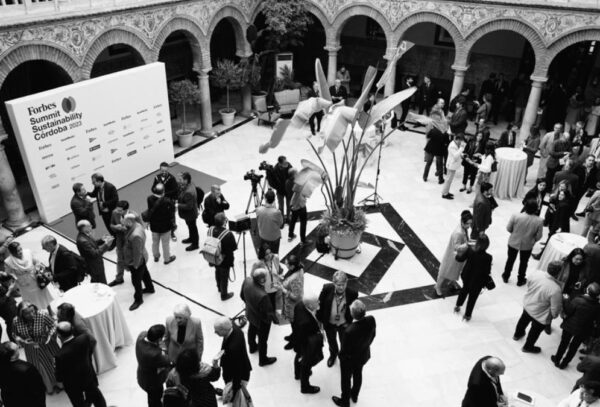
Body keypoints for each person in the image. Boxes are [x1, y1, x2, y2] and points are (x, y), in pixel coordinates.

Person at [332, 300, 376, 407]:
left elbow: (344, 350)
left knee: (346, 380)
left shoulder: (349, 331)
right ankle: (354, 395)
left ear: (352, 314)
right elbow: (373, 335)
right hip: (363, 355)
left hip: (349, 360)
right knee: (358, 374)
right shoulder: (371, 319)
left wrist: (341, 358)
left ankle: (345, 402)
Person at [513, 260, 563, 353]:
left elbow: (529, 284)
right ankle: (527, 347)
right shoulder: (556, 289)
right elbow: (555, 308)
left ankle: (517, 335)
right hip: (541, 314)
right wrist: (554, 315)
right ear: (559, 272)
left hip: (528, 305)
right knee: (535, 331)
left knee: (523, 321)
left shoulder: (536, 273)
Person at [12, 302, 60, 394]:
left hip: (46, 344)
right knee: (39, 367)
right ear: (21, 314)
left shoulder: (42, 315)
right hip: (30, 347)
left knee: (52, 364)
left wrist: (50, 335)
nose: (31, 314)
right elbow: (14, 334)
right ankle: (49, 387)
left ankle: (59, 384)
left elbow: (53, 325)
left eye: (33, 311)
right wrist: (22, 340)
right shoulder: (16, 321)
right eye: (27, 313)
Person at [55, 321, 106, 407]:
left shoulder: (59, 355)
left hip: (73, 385)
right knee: (97, 397)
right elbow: (90, 350)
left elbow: (59, 377)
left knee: (79, 404)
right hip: (88, 376)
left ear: (59, 336)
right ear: (72, 330)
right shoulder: (84, 338)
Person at [552, 283, 600, 369]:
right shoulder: (598, 306)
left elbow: (568, 311)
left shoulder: (578, 300)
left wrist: (566, 300)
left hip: (570, 326)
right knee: (574, 347)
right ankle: (564, 363)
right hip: (584, 329)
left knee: (564, 343)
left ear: (587, 290)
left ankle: (557, 359)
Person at [317, 270, 358, 368]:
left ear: (346, 283)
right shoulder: (326, 289)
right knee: (332, 342)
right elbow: (319, 306)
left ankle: (343, 357)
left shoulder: (352, 293)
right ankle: (333, 355)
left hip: (343, 325)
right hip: (329, 324)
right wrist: (320, 322)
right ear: (334, 283)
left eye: (343, 284)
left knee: (344, 343)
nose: (341, 287)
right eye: (339, 285)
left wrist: (349, 323)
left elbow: (354, 310)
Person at [240, 268, 278, 366]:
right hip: (261, 321)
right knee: (263, 340)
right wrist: (275, 320)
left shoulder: (247, 280)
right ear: (262, 280)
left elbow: (242, 295)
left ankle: (252, 348)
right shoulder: (263, 295)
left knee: (251, 330)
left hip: (250, 313)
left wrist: (249, 305)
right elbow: (269, 313)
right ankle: (263, 360)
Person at [4, 241, 55, 311]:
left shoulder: (27, 252)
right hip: (24, 284)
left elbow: (36, 262)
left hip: (35, 278)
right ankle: (36, 313)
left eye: (20, 249)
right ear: (12, 253)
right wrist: (15, 278)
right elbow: (9, 273)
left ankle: (50, 311)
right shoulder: (8, 261)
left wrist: (37, 269)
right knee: (30, 300)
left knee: (43, 295)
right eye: (17, 251)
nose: (20, 252)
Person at [503, 199, 544, 286]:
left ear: (525, 207)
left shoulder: (515, 216)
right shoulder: (539, 221)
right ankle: (520, 279)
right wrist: (533, 240)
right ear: (536, 209)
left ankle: (506, 276)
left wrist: (515, 234)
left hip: (513, 242)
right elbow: (539, 236)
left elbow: (508, 228)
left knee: (510, 260)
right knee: (524, 262)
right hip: (527, 245)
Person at [454, 234, 492, 321]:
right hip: (478, 282)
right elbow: (487, 272)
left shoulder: (470, 251)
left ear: (477, 242)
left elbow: (460, 259)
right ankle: (467, 315)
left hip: (467, 277)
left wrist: (456, 255)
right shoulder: (488, 257)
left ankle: (458, 306)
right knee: (472, 298)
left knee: (463, 291)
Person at [435, 210, 472, 297]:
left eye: (470, 223)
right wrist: (467, 244)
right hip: (453, 257)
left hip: (459, 255)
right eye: (468, 224)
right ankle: (437, 286)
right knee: (445, 272)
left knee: (455, 271)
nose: (469, 226)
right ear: (462, 222)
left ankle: (452, 281)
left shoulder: (464, 228)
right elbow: (456, 247)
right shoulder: (458, 233)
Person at [123, 213, 155, 311]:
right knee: (145, 273)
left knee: (136, 281)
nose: (123, 223)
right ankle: (150, 288)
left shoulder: (135, 235)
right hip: (142, 257)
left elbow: (137, 252)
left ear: (129, 221)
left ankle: (138, 299)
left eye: (124, 221)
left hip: (136, 261)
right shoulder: (138, 225)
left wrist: (135, 264)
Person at [292, 296, 323, 394]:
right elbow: (304, 337)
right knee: (306, 364)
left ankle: (297, 374)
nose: (319, 303)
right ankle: (305, 387)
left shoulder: (300, 305)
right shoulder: (306, 321)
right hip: (306, 343)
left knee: (299, 356)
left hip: (299, 339)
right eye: (316, 302)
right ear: (310, 305)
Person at [214, 317, 252, 397]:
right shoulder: (233, 327)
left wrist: (235, 388)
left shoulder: (233, 348)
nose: (215, 332)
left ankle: (230, 395)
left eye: (217, 331)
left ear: (224, 330)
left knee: (236, 395)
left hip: (238, 375)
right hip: (241, 366)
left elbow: (236, 370)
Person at [0, 341, 46, 407]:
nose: (18, 349)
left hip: (10, 401)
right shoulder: (28, 368)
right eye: (17, 349)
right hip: (30, 402)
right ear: (12, 356)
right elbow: (39, 389)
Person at [136, 324, 171, 407]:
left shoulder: (141, 336)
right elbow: (167, 360)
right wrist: (164, 347)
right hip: (153, 383)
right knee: (155, 400)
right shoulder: (154, 355)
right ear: (159, 339)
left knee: (151, 398)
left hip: (143, 376)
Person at [147, 183, 176, 265]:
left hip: (154, 225)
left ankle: (156, 256)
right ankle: (167, 259)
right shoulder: (167, 201)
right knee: (165, 244)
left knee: (155, 242)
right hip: (165, 226)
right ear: (163, 191)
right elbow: (172, 212)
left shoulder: (149, 199)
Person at [76, 219, 112, 284]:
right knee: (102, 284)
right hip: (94, 267)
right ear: (84, 228)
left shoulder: (84, 235)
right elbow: (94, 254)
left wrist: (102, 240)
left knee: (96, 281)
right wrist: (106, 245)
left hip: (95, 265)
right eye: (89, 225)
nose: (91, 226)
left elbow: (93, 244)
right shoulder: (83, 241)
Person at [210, 212, 237, 301]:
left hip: (214, 256)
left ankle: (219, 287)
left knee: (217, 271)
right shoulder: (228, 234)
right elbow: (234, 247)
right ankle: (224, 295)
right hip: (225, 259)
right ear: (224, 222)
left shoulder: (211, 230)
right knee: (224, 276)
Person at [152, 162, 178, 241]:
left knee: (171, 217)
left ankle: (172, 232)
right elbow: (153, 188)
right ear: (159, 170)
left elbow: (175, 190)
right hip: (159, 201)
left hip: (169, 201)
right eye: (162, 171)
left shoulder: (172, 178)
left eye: (165, 171)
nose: (164, 172)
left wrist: (164, 194)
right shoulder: (157, 177)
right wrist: (155, 191)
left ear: (168, 169)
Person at [88, 173, 118, 238]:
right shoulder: (97, 187)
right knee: (108, 227)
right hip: (103, 212)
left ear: (99, 181)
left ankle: (119, 239)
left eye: (93, 182)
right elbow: (94, 194)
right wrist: (87, 193)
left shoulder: (110, 187)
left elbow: (115, 199)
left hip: (111, 211)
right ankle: (114, 238)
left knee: (115, 226)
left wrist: (104, 204)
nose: (92, 183)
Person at [253, 244, 283, 310]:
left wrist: (279, 276)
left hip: (276, 289)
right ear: (263, 254)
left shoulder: (275, 258)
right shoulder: (258, 264)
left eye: (270, 253)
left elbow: (279, 270)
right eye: (266, 254)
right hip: (265, 291)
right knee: (268, 308)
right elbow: (253, 276)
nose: (269, 255)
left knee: (277, 308)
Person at [108, 200, 130, 287]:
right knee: (120, 260)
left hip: (129, 241)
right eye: (117, 210)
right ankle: (119, 279)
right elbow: (111, 224)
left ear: (126, 210)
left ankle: (139, 275)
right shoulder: (114, 212)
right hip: (120, 240)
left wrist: (125, 229)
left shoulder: (133, 216)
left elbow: (138, 229)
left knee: (132, 259)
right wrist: (115, 227)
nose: (118, 212)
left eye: (120, 211)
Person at [423, 110, 449, 184]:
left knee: (428, 163)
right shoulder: (445, 133)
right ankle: (440, 179)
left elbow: (428, 136)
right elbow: (447, 142)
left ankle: (425, 177)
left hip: (431, 148)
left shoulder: (433, 130)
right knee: (440, 165)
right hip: (439, 150)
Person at [256, 189, 283, 254]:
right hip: (274, 238)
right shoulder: (277, 212)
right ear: (274, 200)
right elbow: (281, 224)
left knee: (265, 254)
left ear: (265, 198)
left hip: (263, 236)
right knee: (274, 254)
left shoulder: (258, 210)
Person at [177, 172, 199, 251]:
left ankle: (195, 244)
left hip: (190, 214)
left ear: (186, 180)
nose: (179, 181)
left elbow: (189, 206)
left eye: (181, 179)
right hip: (190, 213)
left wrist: (178, 205)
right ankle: (191, 238)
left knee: (193, 228)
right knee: (190, 226)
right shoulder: (190, 183)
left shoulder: (189, 192)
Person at [288, 173, 311, 246]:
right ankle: (303, 241)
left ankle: (290, 235)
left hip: (294, 206)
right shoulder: (300, 185)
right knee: (303, 223)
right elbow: (306, 194)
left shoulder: (290, 183)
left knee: (293, 220)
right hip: (300, 206)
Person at [281, 255, 304, 323]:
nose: (285, 264)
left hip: (292, 306)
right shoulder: (298, 268)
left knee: (293, 322)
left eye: (287, 263)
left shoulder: (295, 279)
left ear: (292, 266)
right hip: (291, 302)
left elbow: (296, 296)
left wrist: (283, 289)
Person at [442, 133, 465, 199]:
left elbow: (458, 152)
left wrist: (462, 154)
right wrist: (461, 148)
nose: (461, 143)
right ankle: (445, 194)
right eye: (460, 141)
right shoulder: (452, 146)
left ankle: (446, 192)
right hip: (451, 165)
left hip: (453, 165)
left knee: (449, 180)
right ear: (457, 139)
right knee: (448, 180)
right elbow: (455, 156)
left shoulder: (456, 144)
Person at [273, 156, 293, 222]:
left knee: (289, 205)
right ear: (280, 164)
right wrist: (278, 187)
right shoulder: (275, 169)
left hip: (288, 190)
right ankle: (282, 220)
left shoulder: (289, 166)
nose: (286, 163)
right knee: (281, 207)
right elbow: (274, 182)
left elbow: (292, 177)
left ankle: (288, 218)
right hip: (280, 191)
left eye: (286, 161)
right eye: (285, 163)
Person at [0, 273, 18, 341]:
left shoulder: (5, 285)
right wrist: (9, 291)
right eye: (9, 282)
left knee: (15, 323)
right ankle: (13, 341)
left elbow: (15, 280)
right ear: (5, 282)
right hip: (5, 309)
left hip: (11, 306)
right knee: (10, 324)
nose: (10, 283)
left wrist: (13, 276)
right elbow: (1, 302)